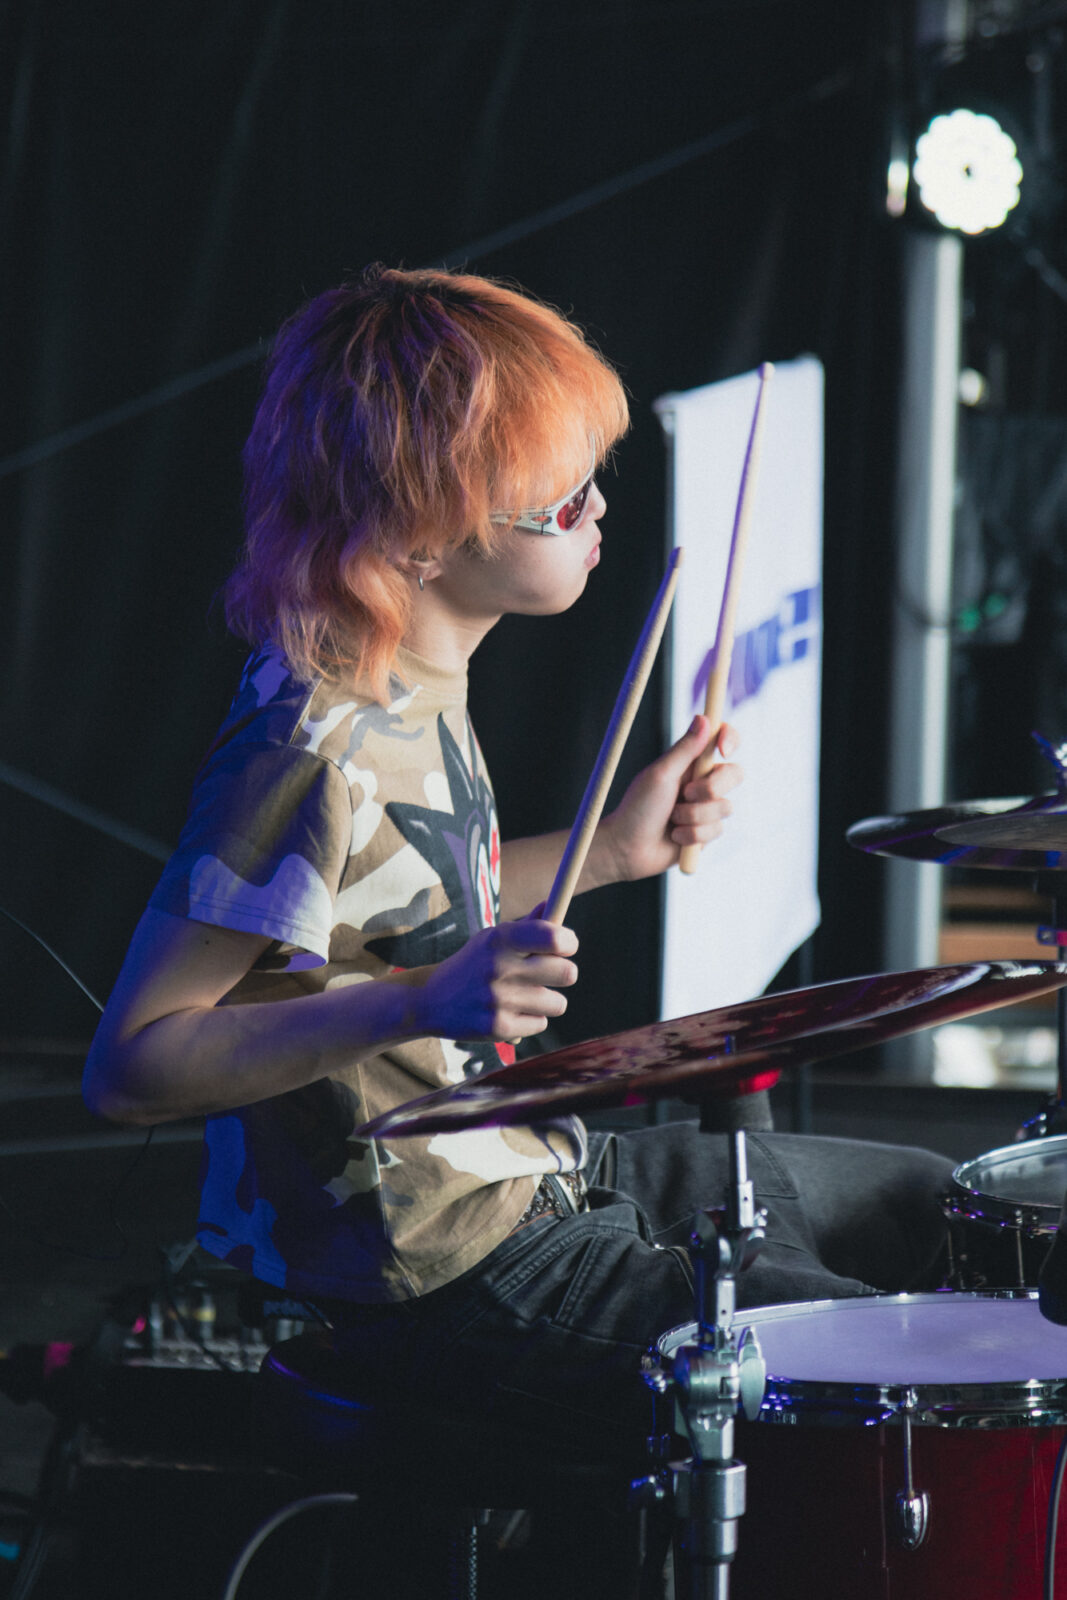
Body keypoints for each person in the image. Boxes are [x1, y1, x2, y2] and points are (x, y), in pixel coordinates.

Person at [83, 264, 952, 1490]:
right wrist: (415, 1005)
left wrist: (616, 851)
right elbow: (131, 1064)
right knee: (898, 1368)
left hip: (535, 1171)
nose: (597, 509)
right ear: (428, 526)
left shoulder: (418, 668)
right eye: (561, 497)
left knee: (927, 1206)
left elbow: (396, 907)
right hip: (449, 1278)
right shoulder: (307, 746)